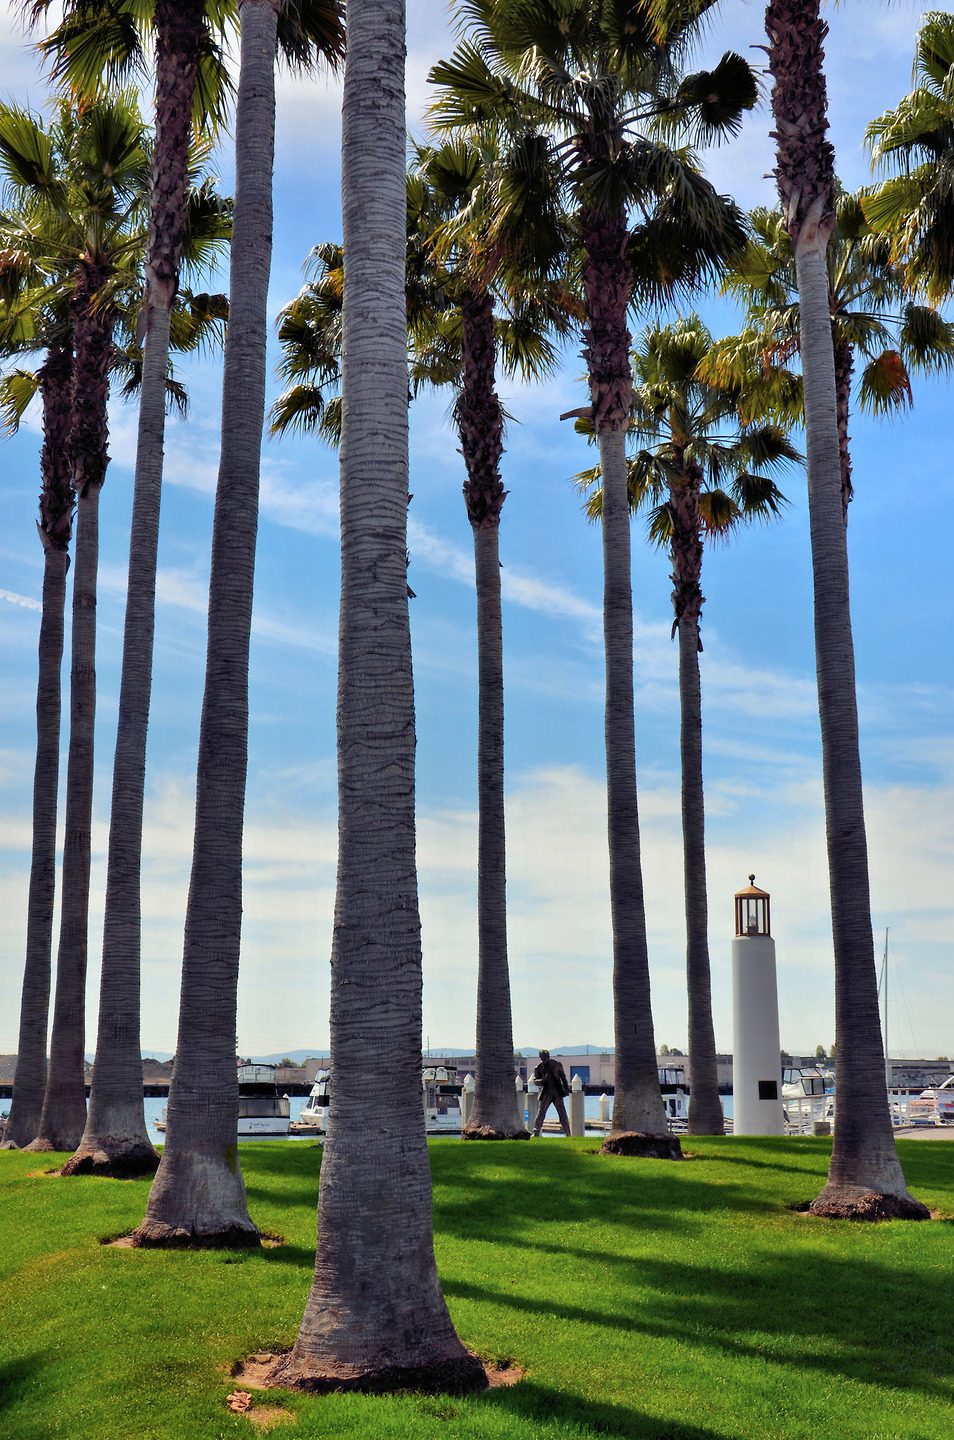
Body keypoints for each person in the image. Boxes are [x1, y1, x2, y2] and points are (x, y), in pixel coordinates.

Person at [531, 1049, 571, 1137]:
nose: (543, 1059)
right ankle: (536, 1132)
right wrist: (542, 1080)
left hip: (557, 1092)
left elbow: (563, 1078)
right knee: (541, 1112)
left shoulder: (557, 1064)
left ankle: (568, 1133)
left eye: (545, 1057)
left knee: (562, 1113)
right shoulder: (538, 1067)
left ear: (548, 1056)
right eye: (542, 1057)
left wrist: (566, 1089)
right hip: (546, 1093)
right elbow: (535, 1081)